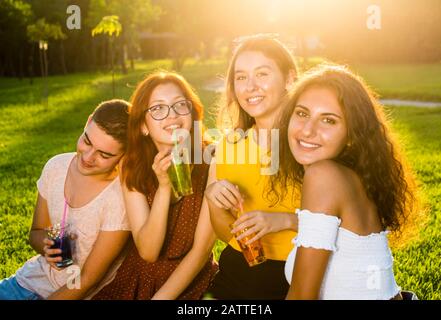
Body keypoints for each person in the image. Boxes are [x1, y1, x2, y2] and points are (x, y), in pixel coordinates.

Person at [271, 64, 419, 299]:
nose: (308, 130)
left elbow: (302, 295)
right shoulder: (353, 176)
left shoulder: (324, 175)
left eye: (328, 120)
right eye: (302, 113)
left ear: (351, 134)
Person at [93, 72, 217, 300]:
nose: (172, 116)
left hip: (190, 280)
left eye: (180, 105)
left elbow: (200, 252)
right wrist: (164, 187)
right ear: (143, 125)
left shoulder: (213, 160)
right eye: (158, 109)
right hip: (139, 279)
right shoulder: (132, 166)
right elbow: (148, 252)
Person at [0, 99, 132, 300]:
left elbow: (87, 280)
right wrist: (46, 246)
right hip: (28, 282)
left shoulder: (119, 200)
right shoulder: (56, 167)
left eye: (104, 154)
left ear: (125, 156)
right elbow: (35, 232)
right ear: (87, 122)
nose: (87, 157)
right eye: (87, 141)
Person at [205, 35, 300, 299]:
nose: (250, 87)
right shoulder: (228, 147)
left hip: (301, 274)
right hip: (239, 273)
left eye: (262, 74)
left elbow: (351, 227)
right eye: (241, 77)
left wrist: (283, 221)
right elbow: (227, 235)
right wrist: (213, 199)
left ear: (290, 78)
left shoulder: (311, 141)